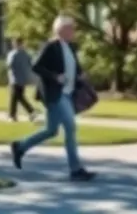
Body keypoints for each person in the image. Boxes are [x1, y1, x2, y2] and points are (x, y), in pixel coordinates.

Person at [8, 15, 95, 182]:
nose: (74, 31)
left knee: (51, 130)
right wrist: (55, 77)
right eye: (72, 28)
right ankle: (75, 169)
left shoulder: (70, 47)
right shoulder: (51, 46)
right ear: (62, 29)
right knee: (70, 127)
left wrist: (80, 75)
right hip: (56, 94)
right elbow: (36, 66)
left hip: (68, 93)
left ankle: (20, 146)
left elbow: (73, 67)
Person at [6, 38, 38, 123]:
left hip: (14, 78)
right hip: (23, 79)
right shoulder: (26, 54)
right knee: (18, 97)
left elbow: (9, 65)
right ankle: (27, 113)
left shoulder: (13, 54)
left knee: (15, 97)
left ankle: (14, 115)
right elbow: (31, 64)